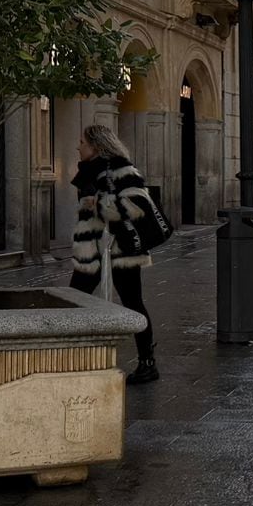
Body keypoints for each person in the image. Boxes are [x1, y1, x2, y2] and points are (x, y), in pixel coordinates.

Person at [70, 125, 158, 384]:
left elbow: (137, 204)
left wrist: (97, 204)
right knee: (73, 301)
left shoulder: (122, 169)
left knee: (133, 303)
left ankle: (147, 362)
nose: (78, 146)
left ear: (96, 145)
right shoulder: (87, 171)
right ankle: (72, 357)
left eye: (82, 142)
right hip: (90, 252)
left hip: (117, 251)